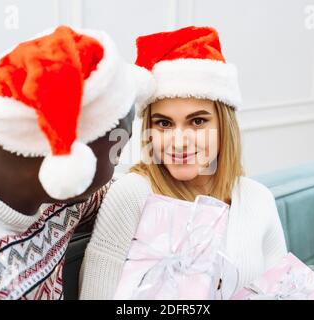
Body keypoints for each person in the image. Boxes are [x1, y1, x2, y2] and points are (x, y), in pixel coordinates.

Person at [0, 25, 153, 299]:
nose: (117, 164)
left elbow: (123, 196)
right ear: (75, 162)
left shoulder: (63, 200)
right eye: (118, 150)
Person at [79, 26, 288, 299]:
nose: (178, 142)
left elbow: (282, 290)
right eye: (164, 123)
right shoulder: (132, 194)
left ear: (224, 126)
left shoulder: (258, 199)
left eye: (198, 121)